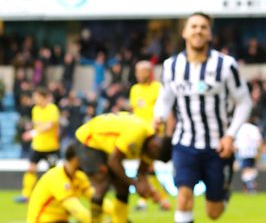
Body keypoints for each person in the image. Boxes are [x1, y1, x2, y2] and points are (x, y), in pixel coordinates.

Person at [154, 12, 252, 223]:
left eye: (203, 27)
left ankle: (223, 193)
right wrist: (158, 117)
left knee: (213, 213)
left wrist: (230, 136)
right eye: (194, 26)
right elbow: (165, 98)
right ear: (184, 32)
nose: (198, 30)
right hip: (184, 143)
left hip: (218, 146)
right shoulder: (171, 66)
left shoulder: (226, 65)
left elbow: (244, 102)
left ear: (209, 34)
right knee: (184, 197)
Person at [74, 111, 173, 223]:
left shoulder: (152, 147)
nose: (151, 158)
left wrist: (150, 191)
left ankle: (120, 221)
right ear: (155, 146)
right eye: (154, 156)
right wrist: (135, 184)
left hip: (106, 148)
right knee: (102, 182)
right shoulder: (137, 133)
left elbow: (142, 174)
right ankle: (95, 221)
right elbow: (114, 161)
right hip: (89, 140)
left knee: (123, 186)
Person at [26, 143, 116, 223]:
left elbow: (96, 198)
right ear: (75, 158)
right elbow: (77, 210)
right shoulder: (56, 177)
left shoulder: (79, 177)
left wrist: (117, 213)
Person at [129, 60, 172, 211]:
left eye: (141, 72)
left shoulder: (157, 88)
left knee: (147, 168)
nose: (138, 75)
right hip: (139, 134)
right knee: (146, 169)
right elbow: (135, 111)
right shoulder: (134, 89)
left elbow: (163, 111)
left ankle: (156, 199)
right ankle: (152, 199)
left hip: (153, 135)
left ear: (149, 72)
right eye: (137, 71)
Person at [18, 87, 60, 203]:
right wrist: (30, 127)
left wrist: (32, 132)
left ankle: (54, 195)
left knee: (52, 173)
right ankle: (26, 195)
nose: (35, 99)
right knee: (31, 169)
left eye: (37, 97)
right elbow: (38, 124)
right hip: (38, 146)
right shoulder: (35, 109)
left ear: (44, 97)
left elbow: (49, 125)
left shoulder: (53, 109)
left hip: (51, 147)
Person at [234, 118, 263, 194]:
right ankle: (249, 187)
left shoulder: (239, 128)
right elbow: (259, 141)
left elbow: (237, 143)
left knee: (246, 170)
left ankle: (250, 188)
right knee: (251, 170)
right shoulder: (254, 128)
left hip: (244, 153)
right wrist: (259, 151)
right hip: (253, 152)